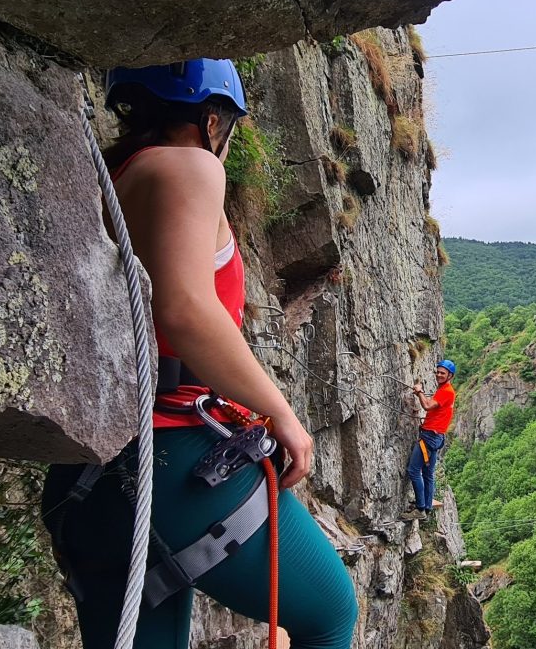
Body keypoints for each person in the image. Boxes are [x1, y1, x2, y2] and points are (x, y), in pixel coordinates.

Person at [40, 59, 357, 649]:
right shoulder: (190, 166)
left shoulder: (111, 176)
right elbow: (185, 310)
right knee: (330, 614)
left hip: (87, 476)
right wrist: (280, 414)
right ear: (213, 120)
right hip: (167, 461)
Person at [403, 360, 457, 520]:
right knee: (428, 474)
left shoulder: (447, 391)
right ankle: (426, 506)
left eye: (443, 373)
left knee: (413, 471)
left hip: (430, 437)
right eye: (438, 372)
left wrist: (419, 391)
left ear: (450, 376)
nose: (439, 375)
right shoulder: (444, 390)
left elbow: (427, 406)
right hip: (437, 436)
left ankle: (420, 509)